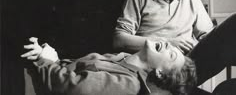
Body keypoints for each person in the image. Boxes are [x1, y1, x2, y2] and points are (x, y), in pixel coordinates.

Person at [21, 37, 197, 95]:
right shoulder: (124, 58)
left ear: (159, 73)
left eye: (171, 54)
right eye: (172, 45)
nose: (168, 44)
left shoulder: (128, 85)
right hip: (32, 76)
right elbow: (75, 71)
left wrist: (46, 61)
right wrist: (52, 58)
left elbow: (70, 87)